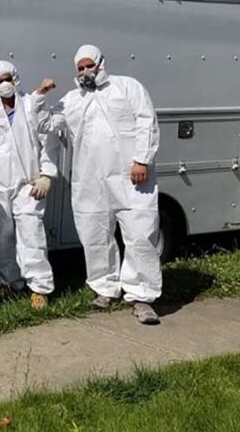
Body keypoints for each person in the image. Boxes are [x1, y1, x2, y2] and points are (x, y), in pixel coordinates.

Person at [42, 44, 162, 325]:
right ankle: (105, 287)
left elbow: (147, 121)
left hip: (131, 176)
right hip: (90, 179)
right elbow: (47, 125)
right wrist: (39, 98)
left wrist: (142, 160)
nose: (85, 71)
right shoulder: (72, 99)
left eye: (89, 65)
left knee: (140, 234)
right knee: (94, 234)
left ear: (101, 63)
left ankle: (141, 296)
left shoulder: (126, 87)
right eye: (80, 68)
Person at [0, 60, 57, 309]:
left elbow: (48, 143)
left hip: (27, 183)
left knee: (31, 235)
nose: (4, 84)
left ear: (16, 79)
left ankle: (39, 288)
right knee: (0, 238)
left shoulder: (31, 105)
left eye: (7, 78)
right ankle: (9, 283)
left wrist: (47, 175)